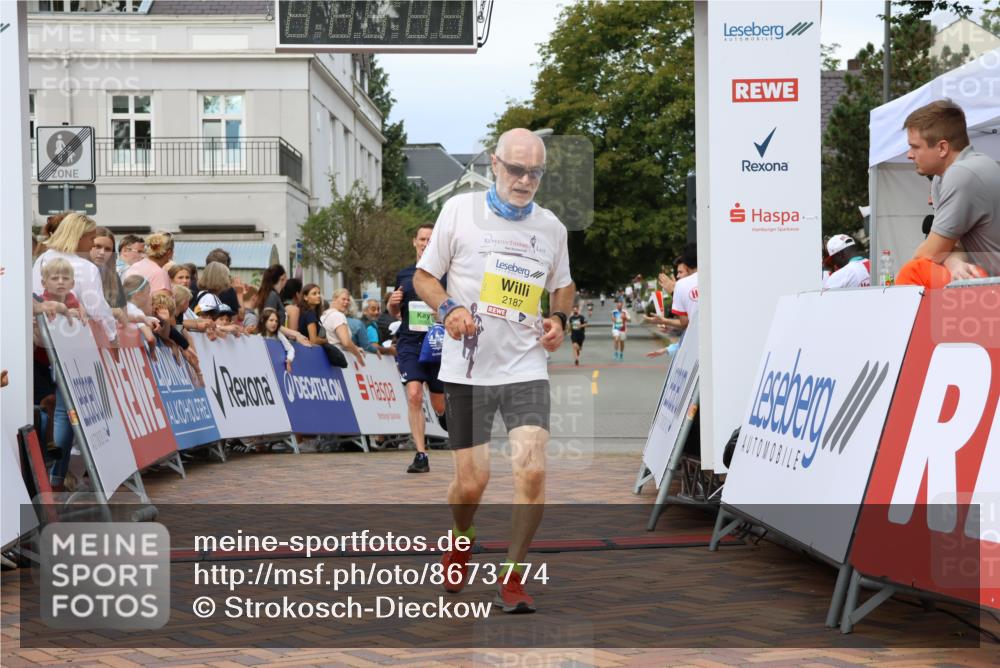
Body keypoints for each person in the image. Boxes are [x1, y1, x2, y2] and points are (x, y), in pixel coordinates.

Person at [413, 128, 574, 613]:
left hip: (525, 364)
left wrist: (559, 319)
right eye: (517, 169)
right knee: (472, 482)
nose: (525, 180)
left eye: (536, 172)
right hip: (467, 367)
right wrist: (448, 311)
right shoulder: (459, 211)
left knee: (533, 467)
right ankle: (462, 534)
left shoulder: (551, 227)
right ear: (494, 163)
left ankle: (512, 575)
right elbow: (424, 276)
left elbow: (563, 286)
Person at [896, 100, 1000, 288]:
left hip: (994, 290)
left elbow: (926, 255)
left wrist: (946, 257)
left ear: (942, 148)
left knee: (912, 273)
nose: (909, 155)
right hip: (990, 286)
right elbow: (951, 246)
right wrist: (953, 262)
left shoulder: (963, 174)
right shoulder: (942, 177)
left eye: (915, 147)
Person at [387, 224, 448, 474]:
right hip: (410, 342)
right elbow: (395, 312)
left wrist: (442, 313)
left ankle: (446, 420)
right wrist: (391, 304)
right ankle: (421, 454)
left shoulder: (445, 274)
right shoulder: (404, 275)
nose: (425, 243)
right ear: (414, 242)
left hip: (437, 343)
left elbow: (455, 306)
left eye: (430, 239)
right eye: (422, 239)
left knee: (439, 405)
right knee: (413, 394)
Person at [32, 212, 117, 341]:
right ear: (79, 237)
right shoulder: (86, 267)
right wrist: (112, 336)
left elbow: (34, 294)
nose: (93, 244)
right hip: (70, 338)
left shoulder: (42, 258)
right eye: (91, 238)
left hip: (40, 335)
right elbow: (97, 310)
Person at [646, 245, 699, 357]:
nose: (678, 276)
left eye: (680, 272)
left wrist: (675, 292)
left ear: (689, 269)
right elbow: (690, 325)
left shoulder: (682, 286)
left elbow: (686, 323)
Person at [321, 288, 366, 366]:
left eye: (348, 300)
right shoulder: (338, 316)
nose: (346, 302)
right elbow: (346, 342)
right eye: (343, 299)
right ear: (335, 299)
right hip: (338, 359)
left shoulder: (324, 314)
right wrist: (357, 354)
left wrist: (355, 347)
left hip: (326, 356)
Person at [260, 307, 294, 373]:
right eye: (271, 320)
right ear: (264, 321)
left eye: (276, 321)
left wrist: (289, 360)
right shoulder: (258, 336)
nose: (274, 323)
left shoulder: (279, 335)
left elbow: (290, 349)